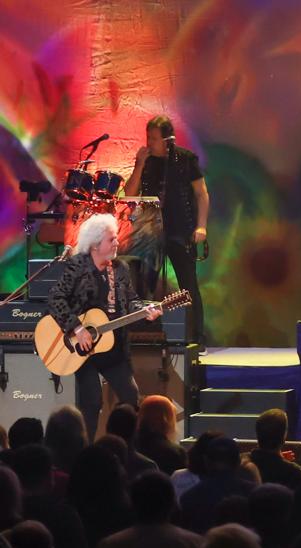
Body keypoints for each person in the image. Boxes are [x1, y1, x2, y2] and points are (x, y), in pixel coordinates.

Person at [47, 214, 162, 440]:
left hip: (113, 348)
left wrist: (145, 311)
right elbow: (56, 299)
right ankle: (84, 453)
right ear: (95, 244)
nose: (117, 243)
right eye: (112, 239)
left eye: (116, 238)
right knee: (91, 403)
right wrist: (77, 328)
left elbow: (131, 301)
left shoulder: (120, 269)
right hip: (83, 350)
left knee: (130, 397)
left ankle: (122, 447)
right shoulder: (77, 266)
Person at [124, 114, 209, 350]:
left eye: (153, 138)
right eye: (147, 138)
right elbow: (129, 194)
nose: (149, 143)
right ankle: (145, 333)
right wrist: (139, 164)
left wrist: (201, 225)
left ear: (167, 140)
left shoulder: (185, 159)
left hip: (180, 229)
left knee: (187, 284)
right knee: (144, 281)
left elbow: (202, 194)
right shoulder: (147, 162)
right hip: (150, 232)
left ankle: (196, 337)